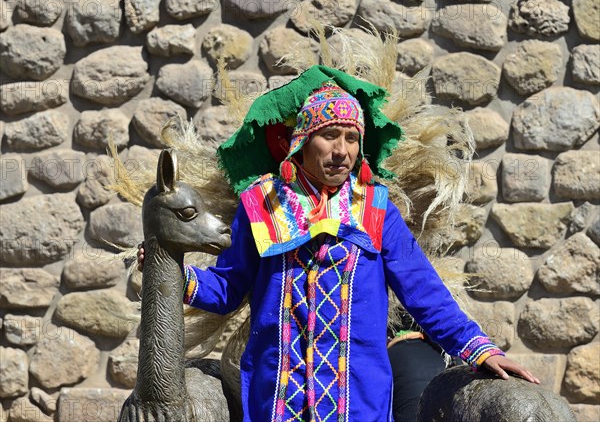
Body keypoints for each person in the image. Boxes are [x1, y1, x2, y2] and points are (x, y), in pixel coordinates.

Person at [138, 66, 538, 422]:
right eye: (329, 135)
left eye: (351, 137)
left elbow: (424, 294)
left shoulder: (378, 211)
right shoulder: (260, 204)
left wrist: (482, 350)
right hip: (277, 399)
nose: (342, 150)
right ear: (302, 141)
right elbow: (227, 288)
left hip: (357, 402)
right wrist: (170, 269)